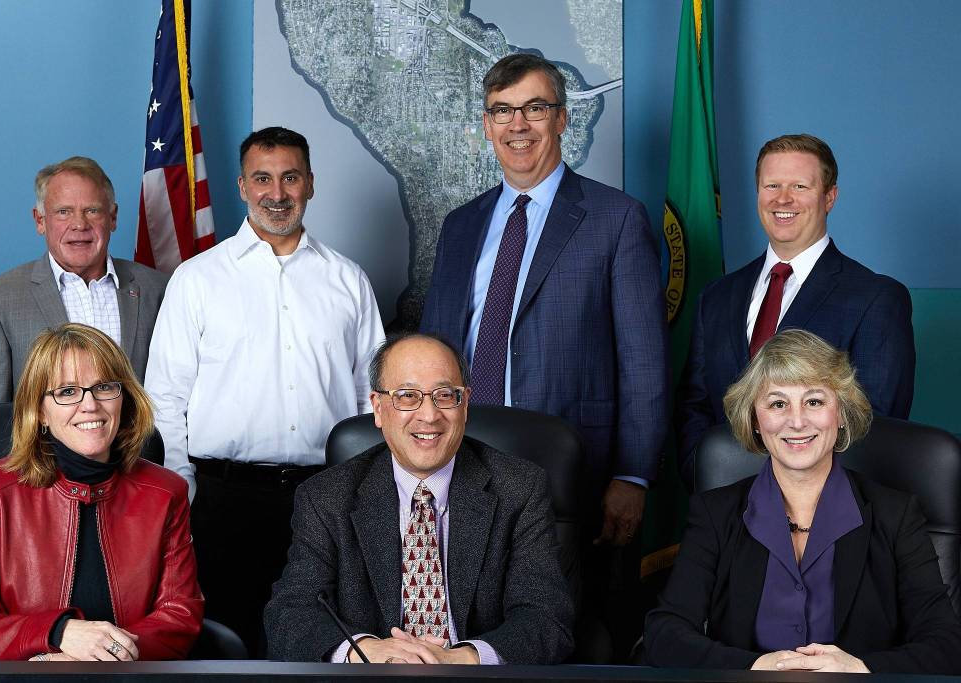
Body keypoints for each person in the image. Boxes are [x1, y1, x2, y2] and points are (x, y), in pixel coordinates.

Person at [419, 53, 668, 658]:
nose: (518, 125)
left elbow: (643, 361)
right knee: (467, 627)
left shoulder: (615, 218)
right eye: (502, 111)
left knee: (562, 634)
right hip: (462, 463)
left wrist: (632, 475)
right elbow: (434, 352)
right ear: (486, 124)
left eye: (534, 108)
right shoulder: (461, 225)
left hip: (572, 475)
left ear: (561, 119)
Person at [145, 126, 385, 656]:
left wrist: (360, 495)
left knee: (324, 643)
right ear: (242, 186)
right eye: (263, 178)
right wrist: (184, 494)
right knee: (225, 644)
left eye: (290, 177)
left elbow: (374, 400)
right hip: (222, 500)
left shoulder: (348, 281)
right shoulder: (197, 280)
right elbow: (166, 399)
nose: (277, 193)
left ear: (311, 184)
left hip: (325, 499)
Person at [646, 329, 961, 674]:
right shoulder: (715, 514)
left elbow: (946, 643)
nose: (797, 422)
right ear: (755, 420)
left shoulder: (896, 514)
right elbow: (665, 633)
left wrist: (861, 668)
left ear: (840, 414)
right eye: (778, 403)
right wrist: (754, 666)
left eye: (814, 401)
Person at [265, 333, 574, 664]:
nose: (429, 415)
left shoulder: (519, 488)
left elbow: (546, 618)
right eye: (407, 396)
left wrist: (460, 660)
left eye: (445, 395)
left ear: (465, 404)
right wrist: (366, 651)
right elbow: (290, 614)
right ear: (379, 408)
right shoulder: (327, 497)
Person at [0, 323, 202, 661]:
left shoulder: (166, 492)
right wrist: (57, 634)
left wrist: (101, 658)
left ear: (123, 398)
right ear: (40, 412)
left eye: (104, 387)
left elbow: (179, 616)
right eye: (67, 392)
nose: (90, 405)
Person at [677, 134, 915, 489]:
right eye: (771, 185)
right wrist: (708, 475)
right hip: (722, 510)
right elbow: (694, 404)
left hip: (825, 518)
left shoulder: (876, 297)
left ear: (829, 197)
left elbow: (873, 422)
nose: (782, 199)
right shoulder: (717, 295)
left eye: (800, 186)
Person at [0, 157, 169, 407]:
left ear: (113, 217)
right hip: (44, 447)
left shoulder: (158, 288)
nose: (79, 224)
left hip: (136, 446)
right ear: (40, 220)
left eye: (92, 210)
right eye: (64, 212)